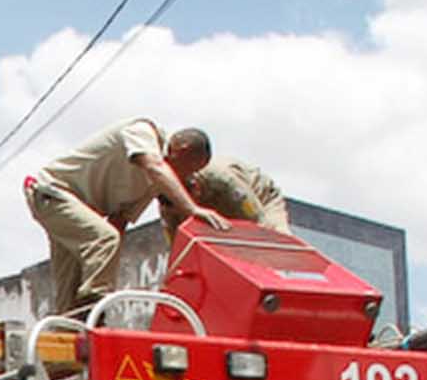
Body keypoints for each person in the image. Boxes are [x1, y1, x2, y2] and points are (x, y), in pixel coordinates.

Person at [25, 119, 227, 313]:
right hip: (52, 192)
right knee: (104, 239)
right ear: (182, 149)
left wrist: (106, 267)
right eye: (191, 168)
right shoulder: (142, 131)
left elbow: (119, 222)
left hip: (76, 211)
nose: (187, 176)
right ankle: (93, 308)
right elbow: (154, 166)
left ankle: (71, 324)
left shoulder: (152, 185)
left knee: (69, 296)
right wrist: (192, 208)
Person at [162, 154, 290, 236]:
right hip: (219, 212)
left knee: (277, 241)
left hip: (262, 200)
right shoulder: (167, 205)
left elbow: (257, 219)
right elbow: (176, 248)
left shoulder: (224, 181)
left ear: (196, 188)